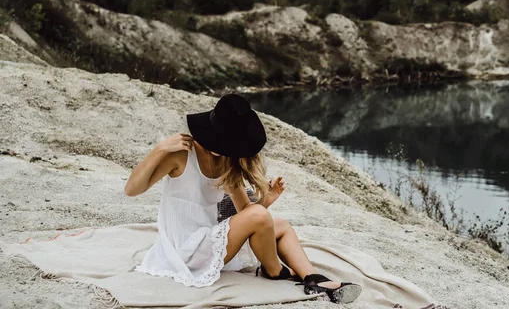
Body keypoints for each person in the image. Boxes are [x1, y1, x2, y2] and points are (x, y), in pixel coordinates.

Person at [124, 93, 362, 304]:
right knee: (261, 217)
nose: (222, 145)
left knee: (281, 225)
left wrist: (266, 200)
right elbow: (131, 190)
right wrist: (159, 149)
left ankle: (313, 278)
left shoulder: (227, 159)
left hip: (211, 241)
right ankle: (274, 271)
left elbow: (245, 211)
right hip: (185, 250)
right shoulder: (180, 153)